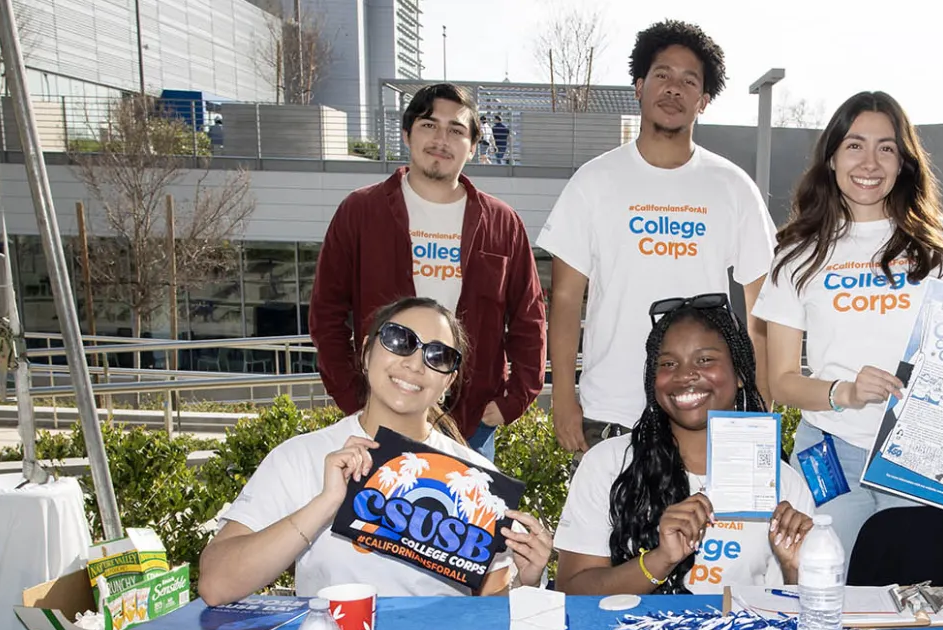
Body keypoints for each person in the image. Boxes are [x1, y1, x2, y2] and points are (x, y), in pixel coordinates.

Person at [756, 90, 943, 555]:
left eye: (887, 148)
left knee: (912, 593)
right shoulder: (797, 251)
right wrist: (846, 392)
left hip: (925, 458)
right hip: (831, 452)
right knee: (830, 585)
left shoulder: (942, 240)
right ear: (832, 157)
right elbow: (780, 382)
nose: (870, 162)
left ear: (904, 162)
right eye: (855, 145)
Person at [201, 297, 553, 604]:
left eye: (438, 355)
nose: (415, 364)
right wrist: (324, 505)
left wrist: (528, 580)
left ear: (448, 380)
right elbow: (216, 585)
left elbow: (488, 613)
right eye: (399, 340)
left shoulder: (472, 478)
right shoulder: (300, 457)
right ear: (367, 351)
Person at [537, 20, 777, 456]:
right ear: (639, 86)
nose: (674, 89)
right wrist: (565, 397)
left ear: (703, 101)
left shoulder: (732, 186)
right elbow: (567, 298)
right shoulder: (593, 181)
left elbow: (761, 303)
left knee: (706, 526)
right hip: (610, 411)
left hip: (706, 411)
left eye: (689, 81)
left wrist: (759, 397)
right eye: (663, 75)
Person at [310, 83, 546, 461]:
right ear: (407, 133)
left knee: (463, 520)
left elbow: (529, 319)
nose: (441, 139)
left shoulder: (502, 223)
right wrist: (351, 394)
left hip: (471, 423)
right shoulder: (361, 211)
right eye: (428, 125)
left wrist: (514, 399)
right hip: (380, 415)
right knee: (376, 520)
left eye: (456, 130)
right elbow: (327, 314)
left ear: (472, 145)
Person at [555, 295, 815, 595]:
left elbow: (798, 620)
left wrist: (794, 570)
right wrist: (659, 560)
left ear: (740, 373)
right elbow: (572, 591)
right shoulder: (608, 464)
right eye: (668, 363)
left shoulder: (783, 484)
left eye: (705, 360)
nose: (685, 375)